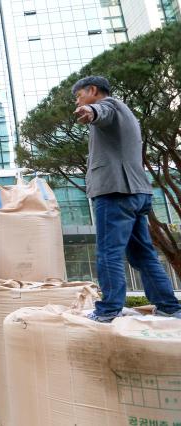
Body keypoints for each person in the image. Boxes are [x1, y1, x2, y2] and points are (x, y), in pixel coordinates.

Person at [73, 76, 181, 322]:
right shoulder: (127, 113)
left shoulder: (111, 106)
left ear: (93, 90)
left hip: (115, 193)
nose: (77, 101)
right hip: (136, 193)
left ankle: (108, 310)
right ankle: (169, 307)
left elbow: (102, 110)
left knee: (108, 253)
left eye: (79, 95)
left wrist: (89, 110)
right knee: (142, 255)